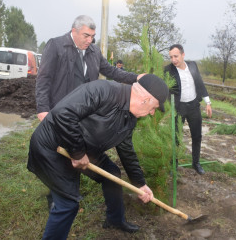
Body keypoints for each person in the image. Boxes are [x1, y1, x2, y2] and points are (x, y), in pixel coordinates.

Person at [28, 74, 169, 239]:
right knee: (67, 204)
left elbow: (126, 150)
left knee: (112, 174)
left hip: (83, 150)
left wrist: (140, 184)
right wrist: (78, 153)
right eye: (154, 108)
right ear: (145, 99)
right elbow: (63, 113)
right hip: (53, 147)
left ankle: (115, 220)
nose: (152, 113)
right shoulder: (103, 91)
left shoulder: (129, 118)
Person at [35, 15, 144, 210]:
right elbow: (44, 79)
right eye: (86, 35)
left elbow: (112, 71)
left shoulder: (93, 51)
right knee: (59, 155)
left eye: (93, 36)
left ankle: (70, 191)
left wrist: (136, 77)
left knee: (76, 150)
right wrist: (43, 109)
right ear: (74, 31)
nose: (90, 40)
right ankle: (56, 197)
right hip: (61, 112)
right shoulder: (56, 46)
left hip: (85, 114)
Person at [164, 44, 212, 175]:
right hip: (178, 108)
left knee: (197, 136)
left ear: (183, 55)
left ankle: (196, 163)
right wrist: (167, 107)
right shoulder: (168, 70)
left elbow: (200, 83)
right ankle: (174, 165)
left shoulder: (192, 66)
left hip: (194, 107)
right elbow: (164, 89)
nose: (173, 60)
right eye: (171, 57)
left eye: (176, 56)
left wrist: (208, 102)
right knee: (176, 138)